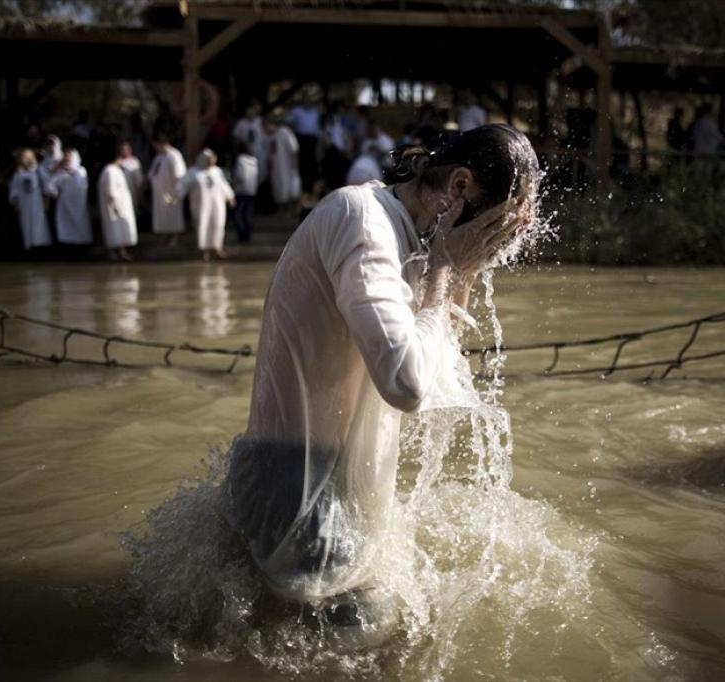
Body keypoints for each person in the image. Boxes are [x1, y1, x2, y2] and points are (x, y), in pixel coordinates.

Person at [218, 124, 539, 638]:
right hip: (296, 482)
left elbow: (440, 369)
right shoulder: (361, 220)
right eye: (493, 226)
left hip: (337, 481)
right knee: (376, 636)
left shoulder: (410, 234)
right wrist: (444, 269)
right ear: (459, 188)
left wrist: (463, 271)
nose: (495, 243)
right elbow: (406, 383)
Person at [178, 148, 235, 260]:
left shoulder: (217, 171)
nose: (211, 162)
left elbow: (223, 185)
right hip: (201, 205)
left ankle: (217, 247)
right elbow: (182, 185)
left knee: (218, 224)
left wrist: (230, 196)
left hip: (217, 204)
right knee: (202, 225)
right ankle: (204, 250)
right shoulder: (193, 172)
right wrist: (176, 196)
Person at [47, 147, 93, 249]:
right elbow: (50, 187)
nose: (67, 159)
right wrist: (58, 169)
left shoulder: (81, 171)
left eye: (69, 157)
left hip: (79, 205)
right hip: (64, 205)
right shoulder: (61, 173)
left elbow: (80, 185)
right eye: (66, 157)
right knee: (66, 228)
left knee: (80, 227)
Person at [98, 151, 139, 261]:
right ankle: (113, 253)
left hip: (120, 206)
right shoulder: (110, 171)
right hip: (115, 207)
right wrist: (114, 206)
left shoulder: (115, 170)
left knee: (119, 230)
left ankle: (122, 252)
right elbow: (111, 191)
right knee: (115, 230)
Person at [8, 148, 52, 251]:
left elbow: (47, 185)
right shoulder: (18, 173)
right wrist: (15, 199)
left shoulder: (37, 170)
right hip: (24, 205)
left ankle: (41, 247)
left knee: (39, 227)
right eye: (21, 156)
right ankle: (30, 248)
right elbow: (13, 191)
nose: (22, 158)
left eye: (24, 156)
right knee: (27, 227)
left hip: (37, 204)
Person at [148, 137, 188, 245]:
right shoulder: (159, 157)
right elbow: (153, 172)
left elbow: (179, 174)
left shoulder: (174, 155)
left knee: (173, 214)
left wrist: (177, 192)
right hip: (160, 192)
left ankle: (174, 238)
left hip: (171, 191)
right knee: (162, 216)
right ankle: (164, 236)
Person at [266, 117, 301, 208]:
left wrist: (295, 165)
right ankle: (281, 208)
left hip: (287, 166)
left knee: (289, 188)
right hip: (276, 168)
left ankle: (289, 208)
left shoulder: (284, 131)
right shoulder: (270, 136)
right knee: (278, 189)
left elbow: (294, 149)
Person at [230, 141, 258, 243]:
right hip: (251, 190)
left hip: (241, 190)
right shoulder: (254, 161)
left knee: (237, 214)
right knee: (247, 214)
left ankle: (242, 235)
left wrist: (233, 184)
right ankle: (248, 235)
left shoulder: (240, 160)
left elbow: (239, 176)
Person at [116, 141, 145, 213]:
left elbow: (139, 178)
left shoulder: (135, 161)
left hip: (132, 189)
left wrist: (140, 190)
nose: (124, 151)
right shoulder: (118, 162)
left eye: (126, 149)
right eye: (123, 149)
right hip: (121, 190)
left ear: (130, 150)